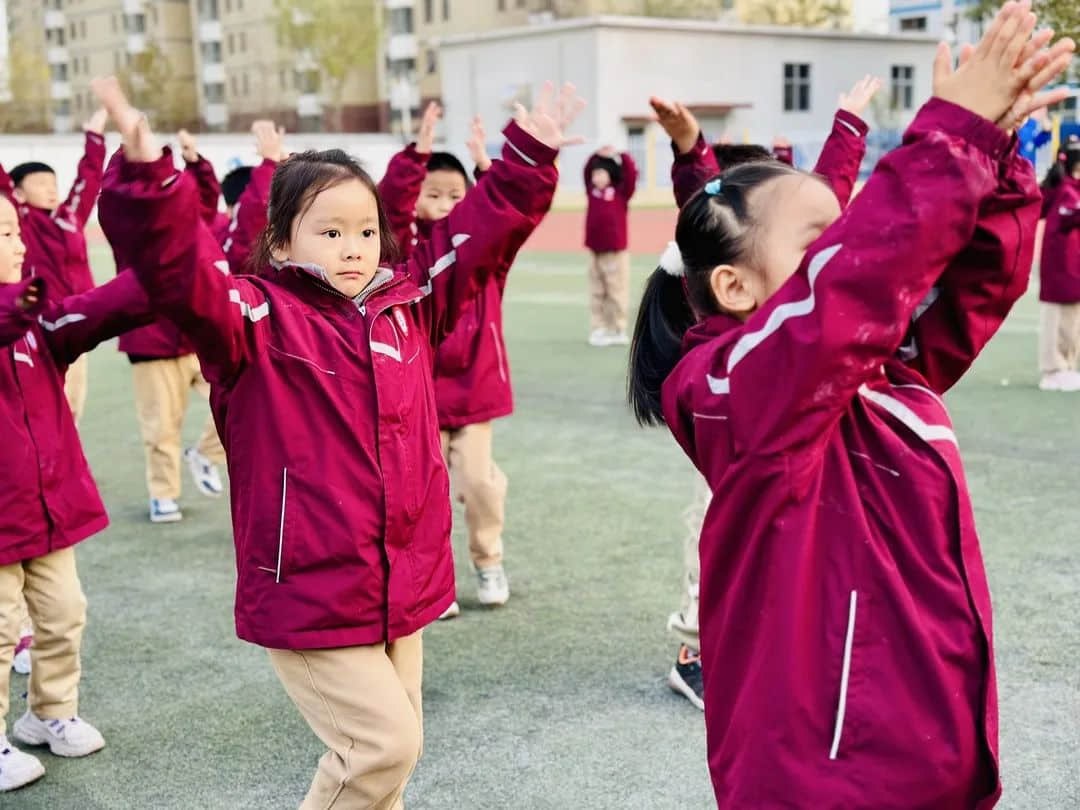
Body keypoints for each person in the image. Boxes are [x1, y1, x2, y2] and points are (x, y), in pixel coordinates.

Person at [94, 75, 582, 809]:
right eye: (329, 231)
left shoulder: (409, 308)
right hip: (311, 588)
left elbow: (475, 243)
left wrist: (527, 158)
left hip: (401, 580)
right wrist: (145, 176)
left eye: (364, 231)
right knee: (382, 749)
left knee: (385, 763)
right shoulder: (251, 317)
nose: (353, 247)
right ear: (282, 239)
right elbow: (175, 268)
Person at [627, 6, 1071, 804]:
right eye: (816, 248)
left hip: (921, 748)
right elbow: (846, 288)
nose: (840, 255)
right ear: (734, 288)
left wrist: (993, 159)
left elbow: (968, 289)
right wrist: (948, 138)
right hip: (822, 776)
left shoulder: (874, 371)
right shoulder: (728, 391)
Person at [647, 75, 881, 711]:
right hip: (740, 428)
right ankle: (693, 650)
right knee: (715, 525)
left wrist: (849, 128)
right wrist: (692, 153)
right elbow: (709, 207)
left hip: (779, 429)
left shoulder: (785, 277)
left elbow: (821, 204)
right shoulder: (735, 326)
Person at [0, 193, 152, 792]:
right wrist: (16, 306)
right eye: (3, 234)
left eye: (14, 231)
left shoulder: (37, 323)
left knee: (64, 617)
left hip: (48, 511)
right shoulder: (18, 314)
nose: (18, 243)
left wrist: (166, 270)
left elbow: (96, 310)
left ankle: (49, 713)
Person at [378, 107, 520, 618]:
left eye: (455, 197)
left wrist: (487, 167)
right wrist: (416, 155)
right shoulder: (405, 254)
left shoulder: (484, 258)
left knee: (480, 483)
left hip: (475, 392)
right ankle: (435, 584)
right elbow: (391, 212)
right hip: (420, 399)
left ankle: (489, 561)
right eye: (432, 195)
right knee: (422, 494)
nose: (443, 206)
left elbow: (503, 219)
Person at [0, 108, 108, 425]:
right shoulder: (21, 217)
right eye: (41, 183)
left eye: (53, 182)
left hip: (74, 324)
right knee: (40, 407)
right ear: (18, 192)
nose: (51, 189)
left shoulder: (70, 217)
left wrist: (95, 136)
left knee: (72, 408)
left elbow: (88, 179)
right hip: (37, 325)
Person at [1036, 139, 1080, 390]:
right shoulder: (1062, 190)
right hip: (1059, 264)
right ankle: (1052, 368)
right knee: (1056, 316)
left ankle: (1067, 366)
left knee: (1073, 319)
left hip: (1074, 264)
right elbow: (1068, 212)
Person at [584, 145, 638, 346]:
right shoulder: (591, 193)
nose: (597, 177)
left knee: (616, 290)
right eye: (595, 174)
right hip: (595, 252)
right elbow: (586, 169)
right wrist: (596, 154)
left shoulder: (620, 193)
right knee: (597, 291)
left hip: (615, 252)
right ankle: (598, 328)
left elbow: (631, 175)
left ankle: (618, 328)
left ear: (611, 175)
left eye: (601, 173)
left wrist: (621, 155)